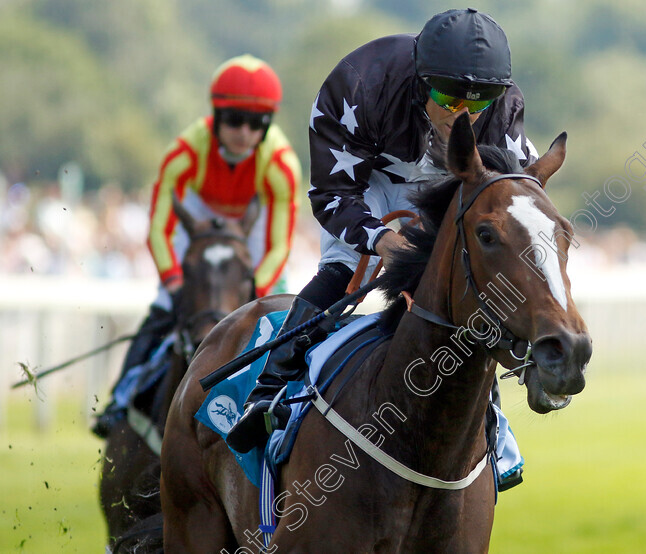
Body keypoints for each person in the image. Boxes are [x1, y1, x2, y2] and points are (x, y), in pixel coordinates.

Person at [227, 9, 536, 478]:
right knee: (344, 266)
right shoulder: (357, 85)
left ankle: (490, 417)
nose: (464, 116)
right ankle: (268, 387)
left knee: (470, 281)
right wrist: (382, 241)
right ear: (419, 80)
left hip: (451, 180)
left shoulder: (503, 111)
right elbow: (331, 195)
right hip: (366, 180)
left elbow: (519, 199)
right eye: (447, 99)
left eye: (480, 102)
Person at [93, 54, 301, 438]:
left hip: (252, 220)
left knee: (276, 313)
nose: (244, 132)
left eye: (256, 123)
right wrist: (173, 283)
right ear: (216, 117)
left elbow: (276, 245)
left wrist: (255, 291)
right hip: (197, 211)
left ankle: (287, 403)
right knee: (163, 307)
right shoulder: (185, 152)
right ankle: (119, 401)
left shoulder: (282, 165)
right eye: (234, 120)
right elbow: (159, 229)